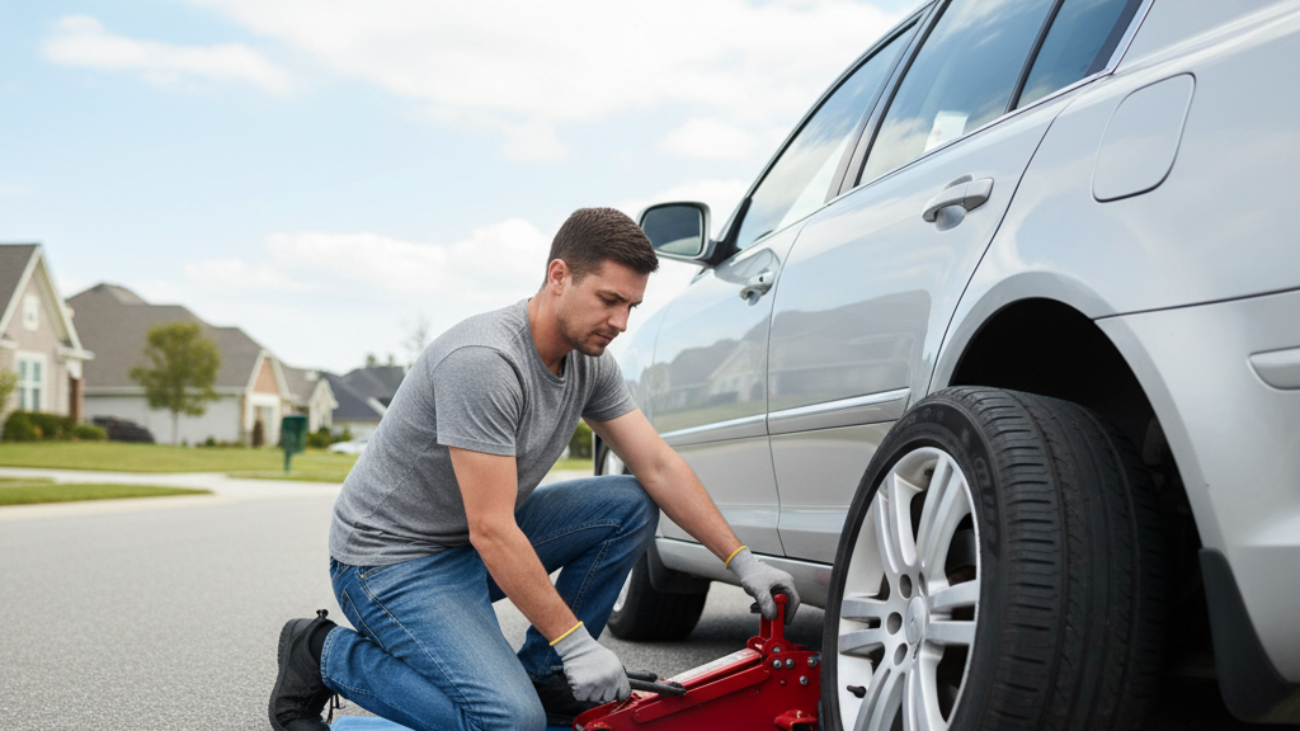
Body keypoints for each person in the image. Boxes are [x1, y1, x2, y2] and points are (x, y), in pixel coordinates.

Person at [268, 207, 801, 731]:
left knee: (629, 501)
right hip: (391, 563)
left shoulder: (591, 362)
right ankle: (323, 654)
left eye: (631, 307)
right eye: (609, 300)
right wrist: (578, 643)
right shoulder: (484, 360)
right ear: (558, 276)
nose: (619, 322)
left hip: (469, 545)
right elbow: (493, 530)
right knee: (509, 722)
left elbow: (657, 464)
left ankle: (548, 675)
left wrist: (741, 561)